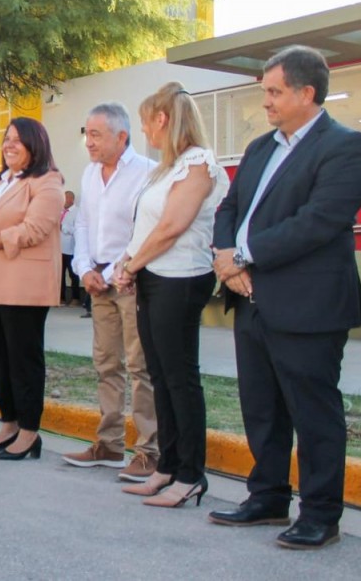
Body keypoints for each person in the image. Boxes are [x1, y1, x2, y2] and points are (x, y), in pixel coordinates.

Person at [208, 46, 361, 550]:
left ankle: (321, 513)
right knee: (261, 407)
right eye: (266, 92)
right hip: (250, 298)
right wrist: (223, 256)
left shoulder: (345, 145)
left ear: (307, 92)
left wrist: (244, 255)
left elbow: (320, 221)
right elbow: (229, 207)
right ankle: (268, 495)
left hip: (308, 304)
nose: (267, 102)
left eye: (275, 92)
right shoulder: (260, 148)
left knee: (313, 412)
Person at [111, 83, 229, 507]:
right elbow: (147, 227)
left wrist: (131, 264)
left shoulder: (198, 163)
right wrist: (129, 262)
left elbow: (172, 227)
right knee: (160, 376)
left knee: (180, 378)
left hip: (181, 278)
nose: (145, 131)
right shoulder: (166, 168)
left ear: (162, 119)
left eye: (146, 121)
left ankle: (191, 475)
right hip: (153, 277)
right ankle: (167, 466)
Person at [63, 102, 159, 482]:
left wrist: (119, 267)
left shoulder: (147, 173)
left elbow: (144, 229)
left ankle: (149, 450)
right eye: (87, 133)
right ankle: (109, 444)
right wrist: (85, 268)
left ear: (122, 136)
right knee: (106, 364)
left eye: (96, 134)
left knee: (140, 367)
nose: (89, 141)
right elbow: (83, 224)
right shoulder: (89, 174)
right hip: (97, 282)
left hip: (131, 281)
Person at [0, 119, 64, 458]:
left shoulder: (48, 181)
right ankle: (9, 423)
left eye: (19, 140)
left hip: (23, 282)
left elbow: (32, 229)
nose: (10, 145)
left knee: (23, 358)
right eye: (7, 139)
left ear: (36, 144)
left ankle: (30, 432)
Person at [60, 191, 82, 306]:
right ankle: (61, 298)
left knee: (73, 275)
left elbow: (77, 230)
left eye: (66, 198)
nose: (64, 200)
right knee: (60, 275)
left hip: (71, 249)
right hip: (59, 248)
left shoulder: (77, 212)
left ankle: (76, 298)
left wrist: (63, 227)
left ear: (71, 199)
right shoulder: (59, 211)